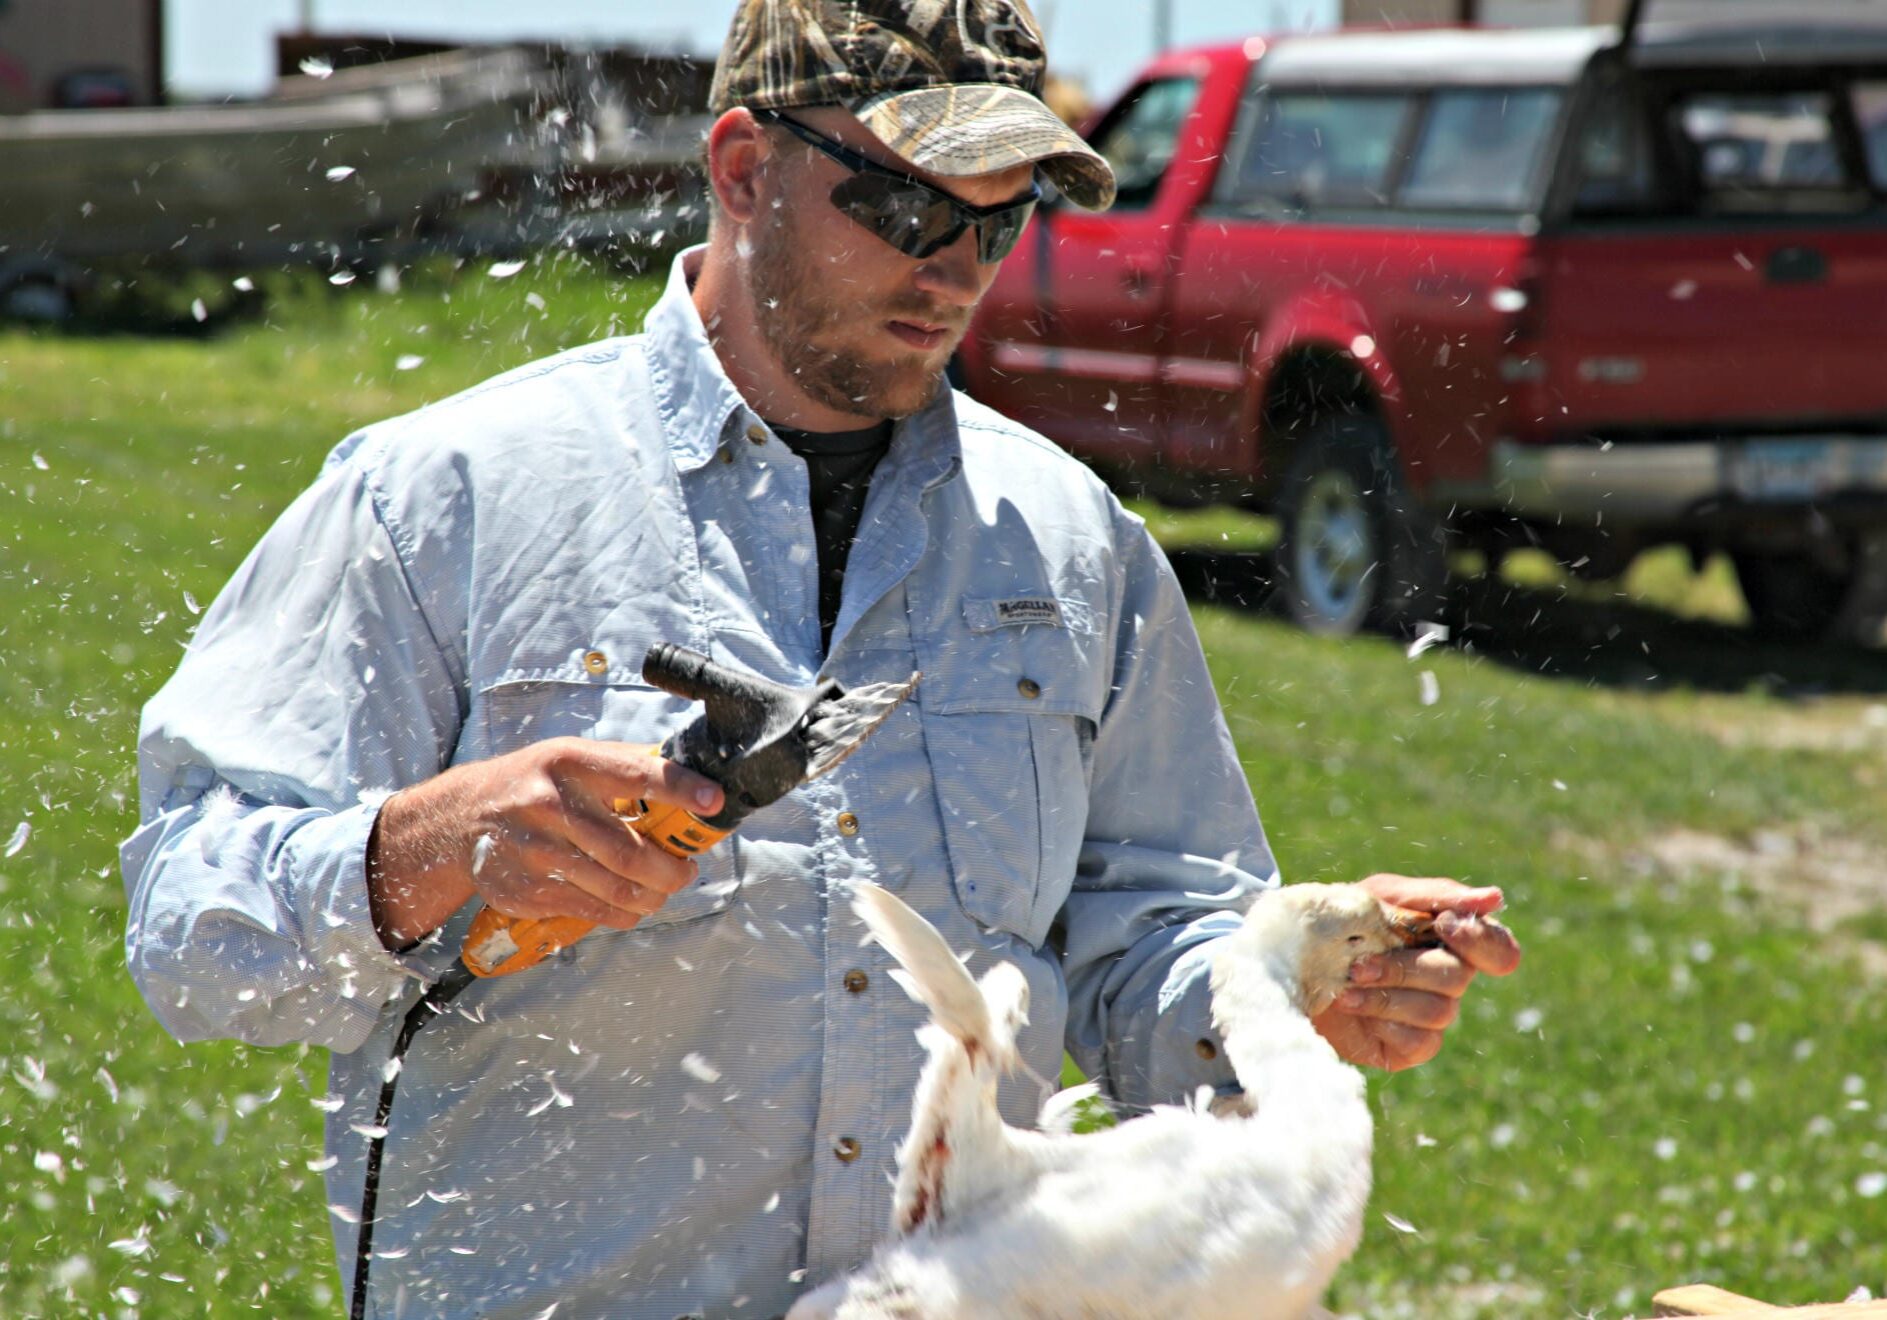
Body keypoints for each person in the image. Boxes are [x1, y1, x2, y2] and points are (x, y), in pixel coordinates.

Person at [120, 2, 1522, 1317]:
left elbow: (1146, 942)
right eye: (908, 207)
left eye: (1000, 220)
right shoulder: (446, 498)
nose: (957, 270)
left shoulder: (1074, 545)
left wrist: (1291, 980)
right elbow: (186, 925)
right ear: (742, 168)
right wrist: (430, 847)